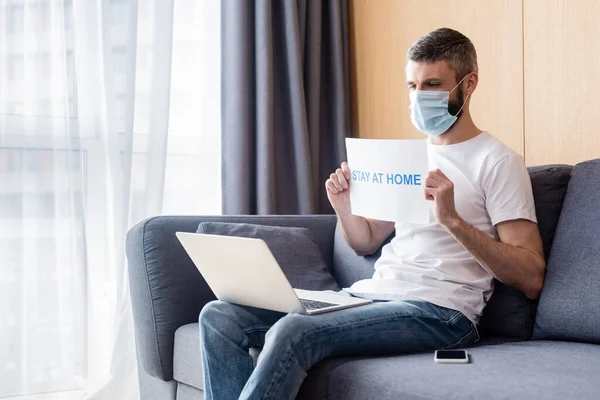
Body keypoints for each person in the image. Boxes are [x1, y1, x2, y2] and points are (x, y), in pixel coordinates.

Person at [199, 27, 545, 400]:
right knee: (221, 316)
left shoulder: (497, 162)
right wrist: (345, 209)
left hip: (441, 312)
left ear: (469, 83)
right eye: (412, 87)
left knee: (293, 331)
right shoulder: (408, 159)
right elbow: (366, 241)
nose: (418, 97)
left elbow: (531, 275)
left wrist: (453, 221)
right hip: (372, 296)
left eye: (432, 84)